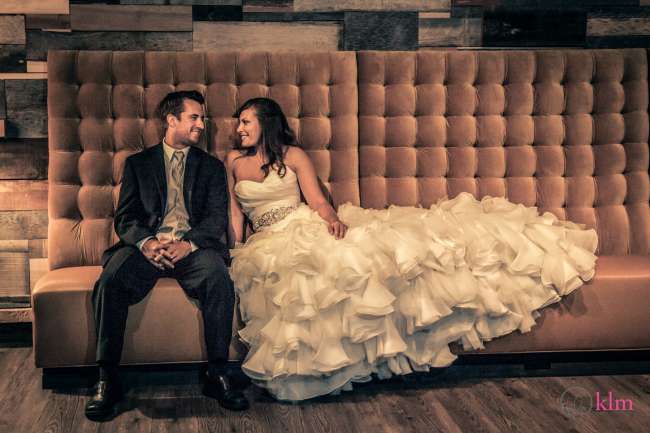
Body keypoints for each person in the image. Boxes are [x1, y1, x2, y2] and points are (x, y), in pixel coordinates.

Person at [225, 97, 598, 402]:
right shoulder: (233, 161)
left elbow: (317, 201)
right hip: (268, 237)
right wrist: (236, 246)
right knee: (295, 283)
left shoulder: (292, 156)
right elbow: (234, 211)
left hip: (303, 224)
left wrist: (331, 219)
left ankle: (366, 356)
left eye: (246, 121)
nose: (238, 129)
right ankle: (310, 368)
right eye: (238, 123)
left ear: (266, 123)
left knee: (353, 261)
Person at [85, 90, 249, 421]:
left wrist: (188, 244)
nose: (201, 124)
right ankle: (107, 378)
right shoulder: (138, 164)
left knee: (218, 278)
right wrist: (146, 243)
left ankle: (217, 374)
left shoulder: (211, 167)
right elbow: (126, 218)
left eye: (202, 118)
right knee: (111, 281)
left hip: (191, 249)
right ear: (171, 120)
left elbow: (216, 218)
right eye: (194, 117)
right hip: (146, 248)